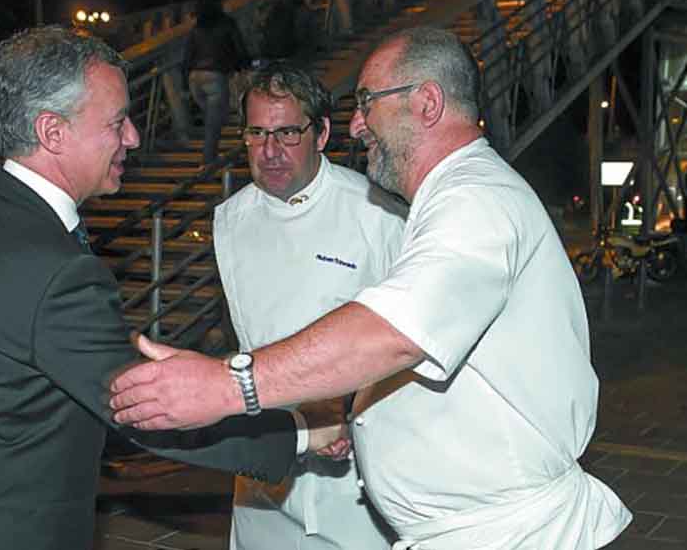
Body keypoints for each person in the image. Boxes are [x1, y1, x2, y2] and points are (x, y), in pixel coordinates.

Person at [111, 27, 633, 549]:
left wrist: (227, 385)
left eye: (368, 102)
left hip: (502, 534)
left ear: (427, 103)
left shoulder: (477, 201)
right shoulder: (450, 198)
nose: (357, 124)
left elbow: (395, 332)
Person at [0, 25, 343, 550]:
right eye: (116, 122)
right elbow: (143, 410)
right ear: (52, 132)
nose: (132, 136)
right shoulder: (51, 265)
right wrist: (303, 432)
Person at [220, 61, 404, 549]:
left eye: (287, 133)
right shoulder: (229, 220)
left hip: (355, 469)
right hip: (267, 469)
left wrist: (341, 403)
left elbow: (410, 339)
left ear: (321, 133)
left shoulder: (377, 212)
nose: (269, 151)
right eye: (256, 133)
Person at [184, 0, 249, 165]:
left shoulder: (197, 27)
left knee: (213, 118)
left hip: (195, 77)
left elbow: (188, 54)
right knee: (215, 121)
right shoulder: (227, 23)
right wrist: (242, 65)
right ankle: (208, 162)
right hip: (215, 77)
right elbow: (239, 48)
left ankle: (213, 155)